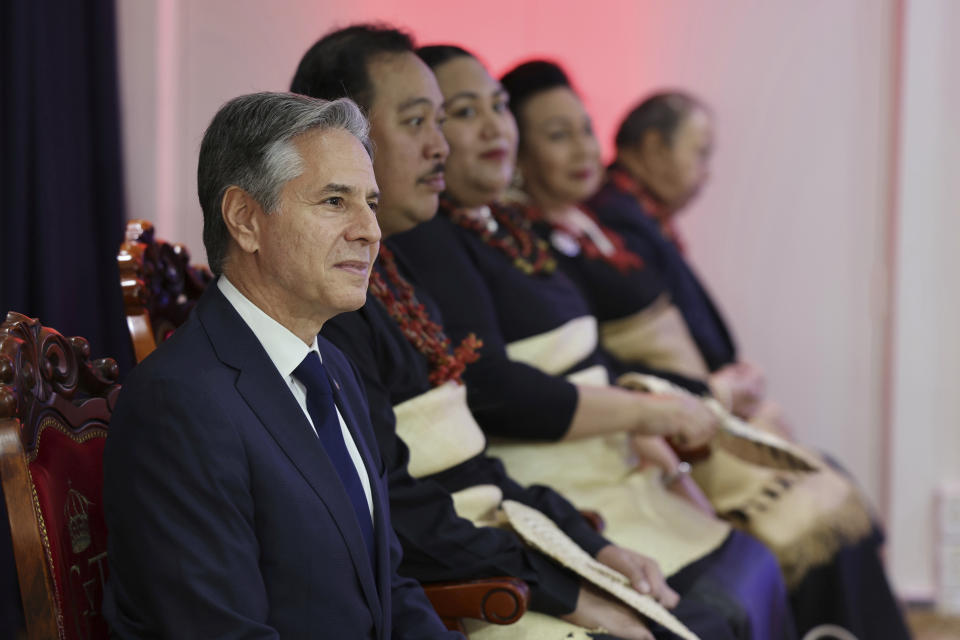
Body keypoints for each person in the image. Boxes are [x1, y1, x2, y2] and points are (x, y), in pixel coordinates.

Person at [291, 25, 732, 640]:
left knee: (710, 603)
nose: (441, 147)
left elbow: (470, 461)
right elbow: (395, 509)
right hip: (455, 581)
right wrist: (562, 584)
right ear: (340, 141)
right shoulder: (322, 305)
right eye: (419, 122)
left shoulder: (392, 275)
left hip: (492, 536)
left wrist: (586, 549)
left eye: (444, 122)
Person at [390, 44, 798, 640]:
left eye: (497, 107)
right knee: (717, 598)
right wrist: (651, 410)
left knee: (754, 562)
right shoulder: (428, 241)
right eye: (457, 113)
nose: (487, 128)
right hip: (554, 472)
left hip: (604, 458)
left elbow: (595, 359)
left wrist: (659, 410)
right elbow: (493, 392)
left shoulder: (511, 228)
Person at [102, 92, 461, 639]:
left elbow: (385, 585)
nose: (370, 230)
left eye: (371, 202)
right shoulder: (179, 404)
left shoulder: (333, 368)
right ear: (245, 220)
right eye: (336, 202)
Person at [583, 88, 911, 639]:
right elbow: (618, 362)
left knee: (835, 492)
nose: (708, 173)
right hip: (668, 429)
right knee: (822, 521)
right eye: (701, 151)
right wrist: (719, 392)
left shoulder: (631, 219)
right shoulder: (612, 224)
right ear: (654, 146)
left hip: (697, 409)